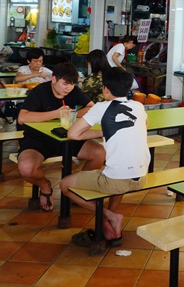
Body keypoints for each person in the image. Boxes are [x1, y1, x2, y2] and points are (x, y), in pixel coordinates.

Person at [60, 67, 149, 247]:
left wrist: (102, 131)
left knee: (65, 185)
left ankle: (109, 216)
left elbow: (73, 134)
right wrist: (107, 131)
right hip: (141, 178)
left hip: (117, 180)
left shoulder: (102, 107)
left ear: (106, 89)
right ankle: (109, 220)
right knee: (118, 172)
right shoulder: (139, 106)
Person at [17, 63, 104, 212]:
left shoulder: (74, 91)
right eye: (65, 83)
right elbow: (22, 117)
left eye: (72, 84)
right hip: (39, 140)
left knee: (100, 153)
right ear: (53, 79)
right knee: (26, 168)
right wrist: (56, 114)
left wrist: (73, 114)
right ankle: (45, 186)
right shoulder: (39, 92)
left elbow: (91, 107)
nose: (68, 88)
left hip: (69, 138)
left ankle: (77, 188)